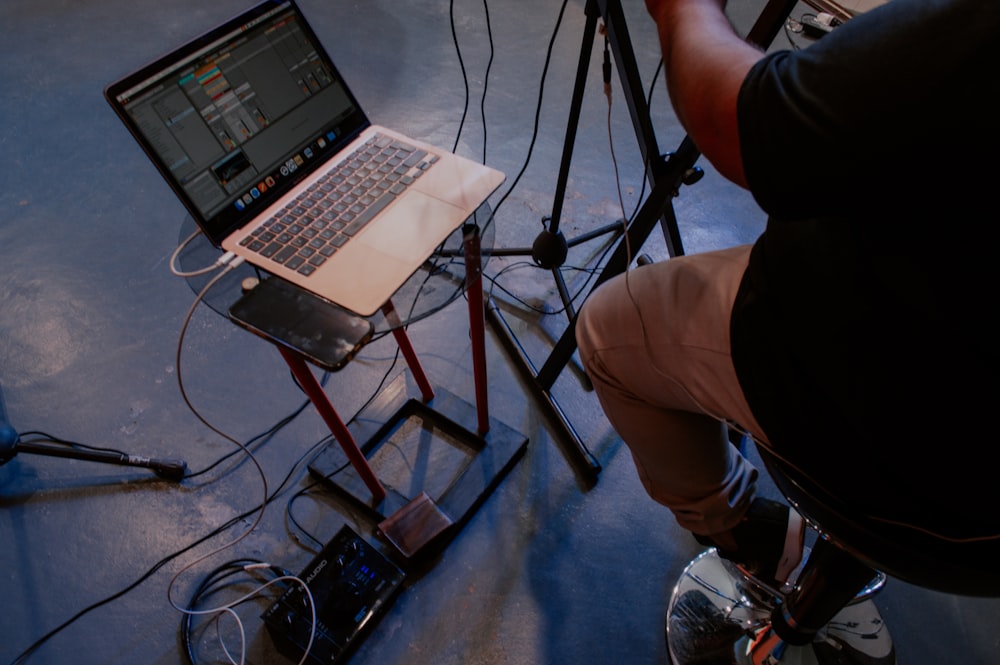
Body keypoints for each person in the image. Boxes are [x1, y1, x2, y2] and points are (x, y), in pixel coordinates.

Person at [575, 0, 1000, 585]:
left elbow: (736, 121)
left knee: (602, 331)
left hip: (918, 437)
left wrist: (684, 8)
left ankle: (738, 527)